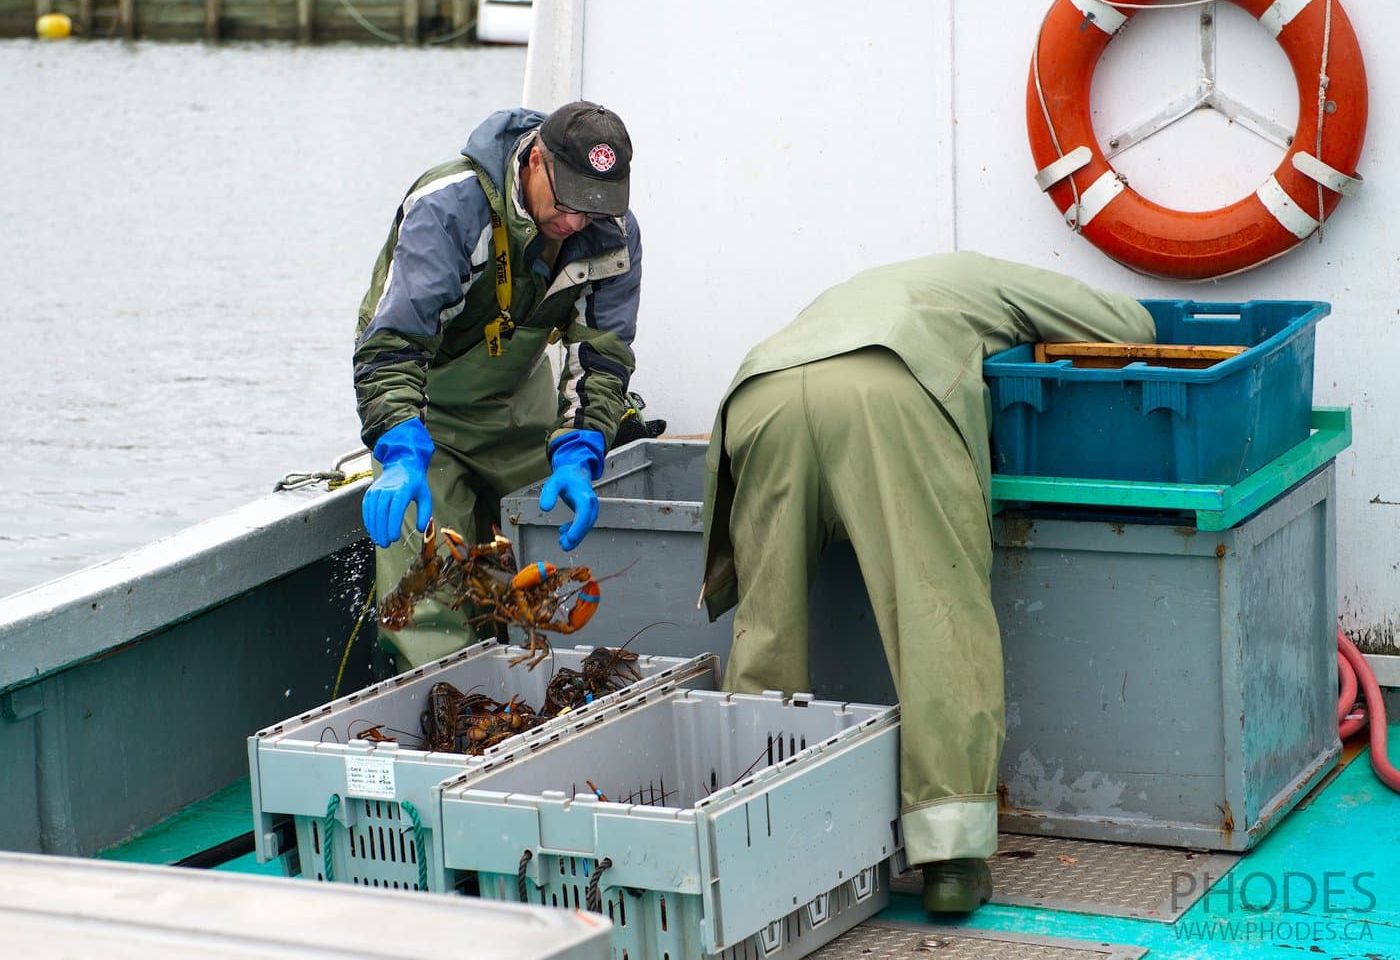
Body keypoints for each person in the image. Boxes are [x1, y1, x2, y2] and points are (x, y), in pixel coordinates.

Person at [699, 252, 1156, 913]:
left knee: (768, 627)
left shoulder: (851, 286)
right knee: (938, 617)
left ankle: (750, 839)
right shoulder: (982, 280)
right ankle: (950, 860)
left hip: (760, 395)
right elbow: (1126, 323)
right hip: (887, 397)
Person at [354, 101, 644, 670]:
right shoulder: (450, 207)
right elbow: (391, 347)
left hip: (520, 407)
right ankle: (446, 709)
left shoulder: (613, 232)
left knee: (552, 572)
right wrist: (399, 449)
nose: (575, 223)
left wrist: (582, 449)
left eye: (594, 208)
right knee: (427, 591)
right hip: (427, 414)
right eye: (565, 204)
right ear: (535, 159)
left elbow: (602, 357)